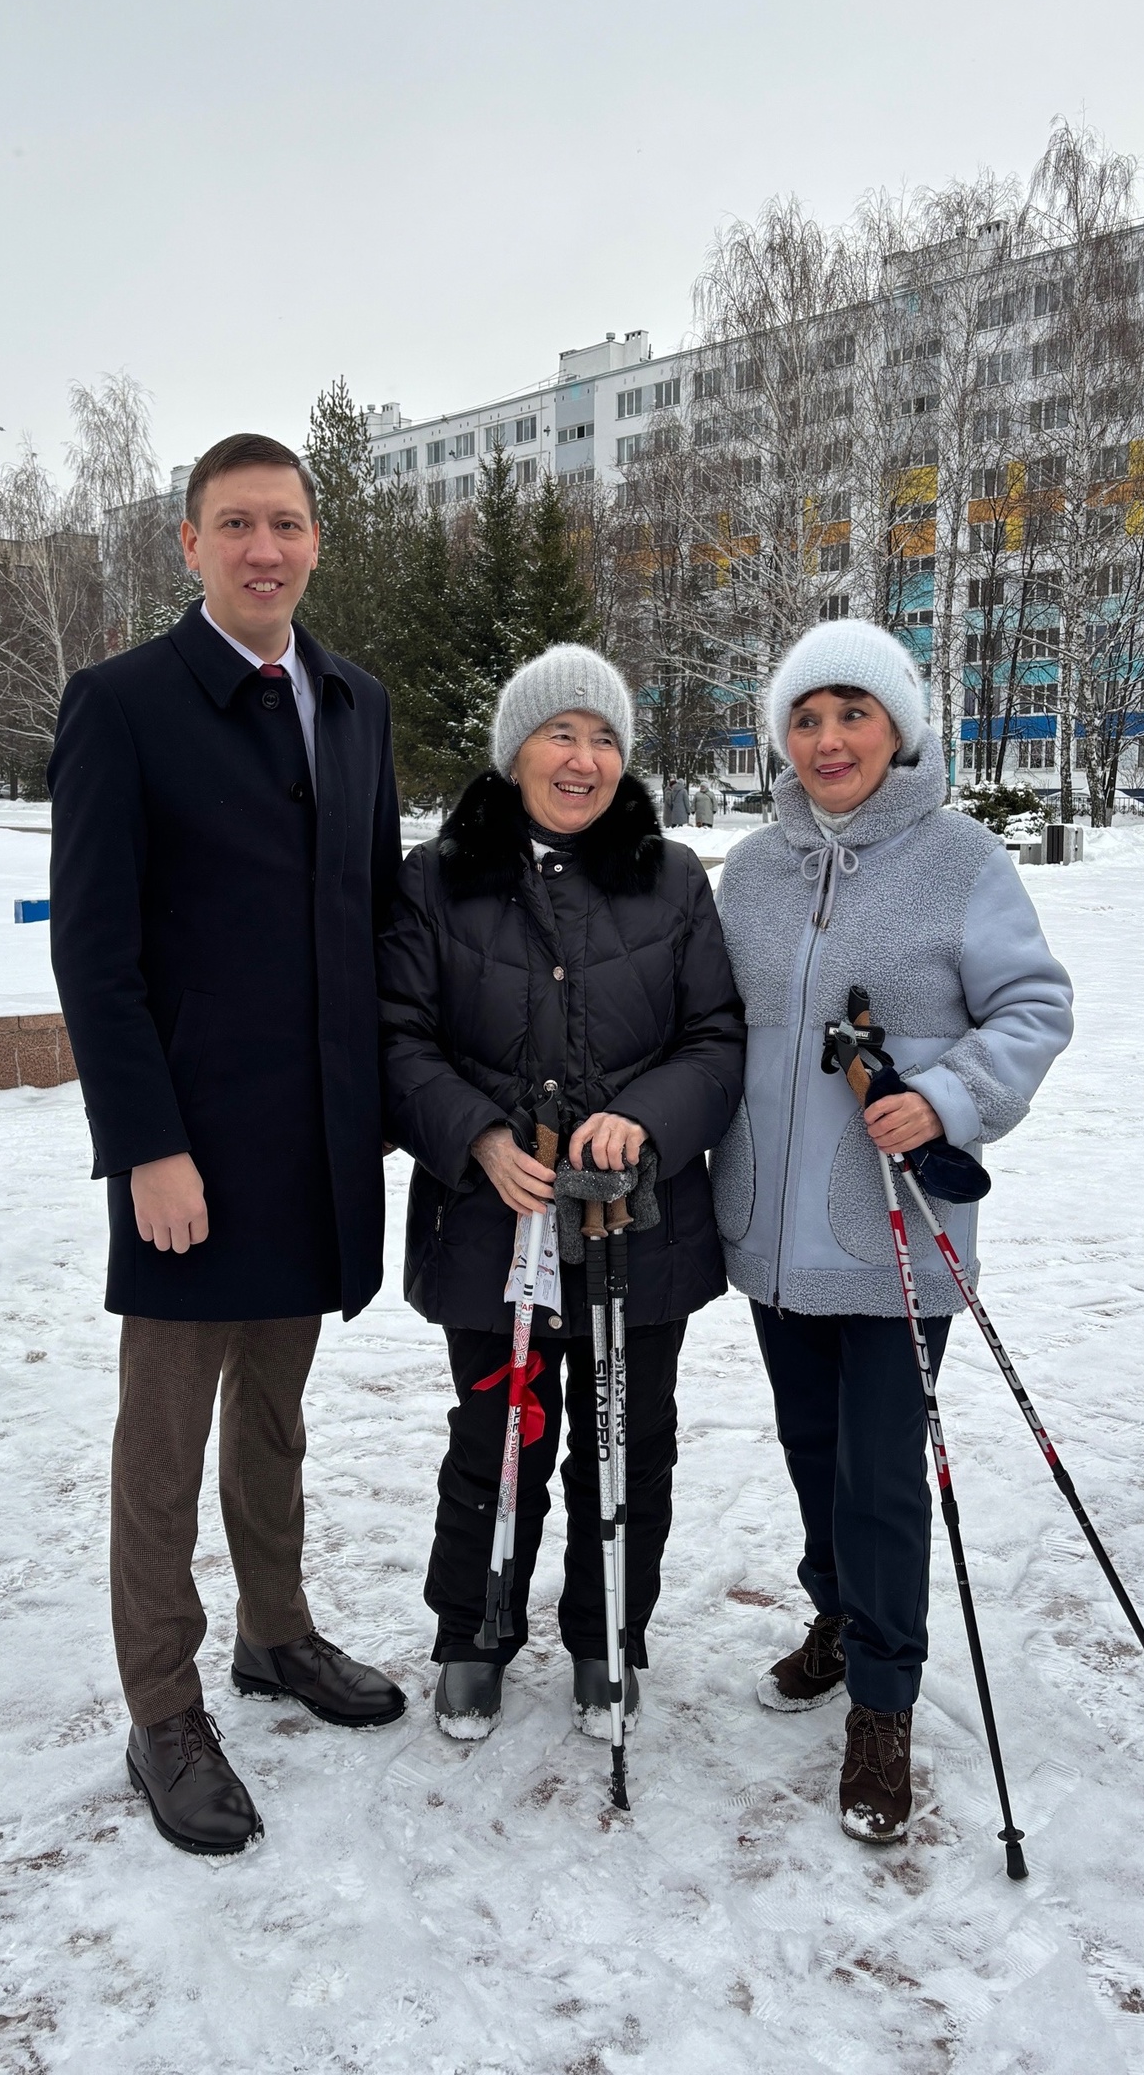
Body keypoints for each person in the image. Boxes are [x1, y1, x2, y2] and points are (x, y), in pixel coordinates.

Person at [48, 432, 407, 1859]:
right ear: (188, 544)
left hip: (314, 1147)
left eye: (289, 524)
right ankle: (163, 1708)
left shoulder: (355, 703)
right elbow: (98, 953)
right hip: (188, 1157)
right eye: (237, 524)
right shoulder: (125, 705)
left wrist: (390, 1112)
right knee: (165, 1446)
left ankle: (277, 1635)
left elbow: (378, 922)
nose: (267, 548)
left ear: (316, 541)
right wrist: (146, 1146)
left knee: (276, 1420)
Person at [713, 619, 1072, 1845]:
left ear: (899, 727)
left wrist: (949, 1095)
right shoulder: (752, 869)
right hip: (767, 1233)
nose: (827, 740)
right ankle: (836, 1612)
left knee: (882, 1478)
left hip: (896, 1240)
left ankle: (884, 1698)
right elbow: (712, 1029)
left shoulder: (959, 857)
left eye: (852, 714)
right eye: (806, 720)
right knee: (813, 1454)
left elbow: (1033, 1005)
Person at [378, 645, 745, 1740]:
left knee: (631, 1441)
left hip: (639, 1225)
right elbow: (396, 1039)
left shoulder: (672, 877)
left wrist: (651, 1121)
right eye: (559, 734)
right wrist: (480, 1137)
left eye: (602, 739)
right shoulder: (437, 878)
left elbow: (716, 1039)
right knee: (499, 1436)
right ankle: (474, 1632)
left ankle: (607, 1634)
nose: (581, 760)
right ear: (515, 751)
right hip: (493, 1227)